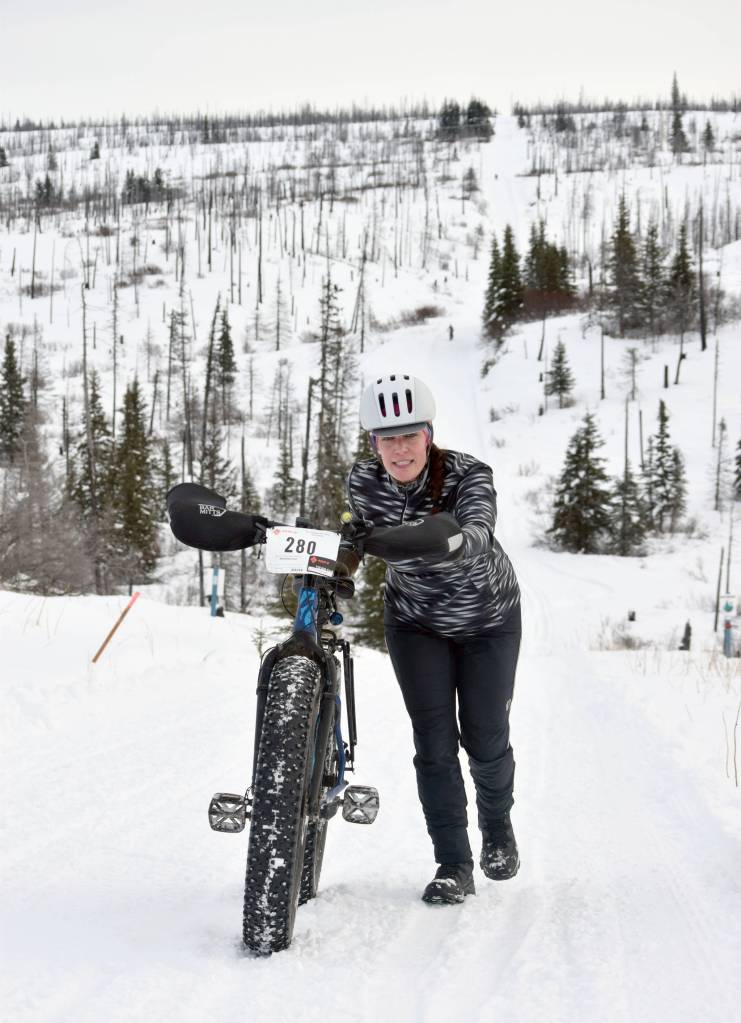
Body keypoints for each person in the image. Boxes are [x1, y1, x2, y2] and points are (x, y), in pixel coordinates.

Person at [345, 373, 522, 905]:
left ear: (428, 434)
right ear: (373, 442)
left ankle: (497, 826)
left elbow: (477, 531)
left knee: (485, 738)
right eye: (386, 438)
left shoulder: (469, 475)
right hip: (415, 621)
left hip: (487, 620)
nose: (399, 449)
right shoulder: (363, 480)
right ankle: (453, 864)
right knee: (434, 744)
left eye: (409, 435)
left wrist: (450, 538)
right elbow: (360, 534)